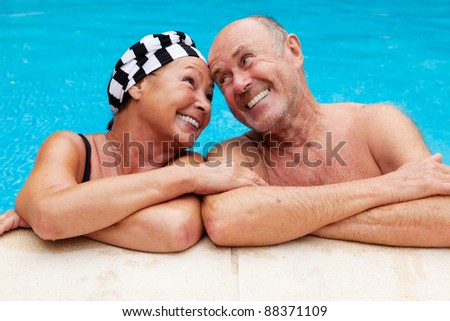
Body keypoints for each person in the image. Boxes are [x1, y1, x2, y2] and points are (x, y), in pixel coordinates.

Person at [0, 31, 266, 252]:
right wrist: (187, 179)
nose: (204, 105)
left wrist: (65, 217)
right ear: (137, 86)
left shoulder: (189, 162)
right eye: (189, 82)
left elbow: (176, 230)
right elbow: (49, 216)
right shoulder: (70, 147)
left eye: (209, 96)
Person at [202, 15, 450, 247]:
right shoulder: (236, 152)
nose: (239, 83)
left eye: (246, 59)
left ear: (293, 51)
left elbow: (444, 216)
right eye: (223, 79)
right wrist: (389, 187)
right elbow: (225, 219)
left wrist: (287, 218)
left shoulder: (376, 124)